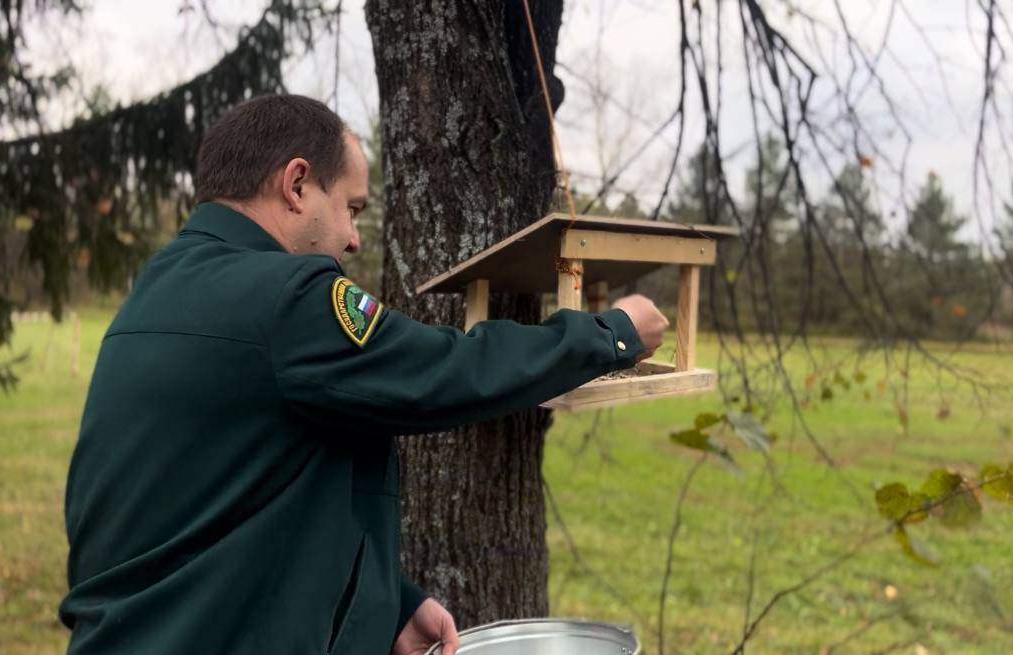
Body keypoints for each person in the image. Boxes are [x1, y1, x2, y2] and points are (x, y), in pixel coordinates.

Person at [59, 94, 668, 655]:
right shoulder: (287, 297)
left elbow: (232, 499)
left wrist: (388, 603)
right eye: (350, 208)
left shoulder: (156, 292)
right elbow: (448, 370)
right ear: (296, 184)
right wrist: (609, 334)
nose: (353, 238)